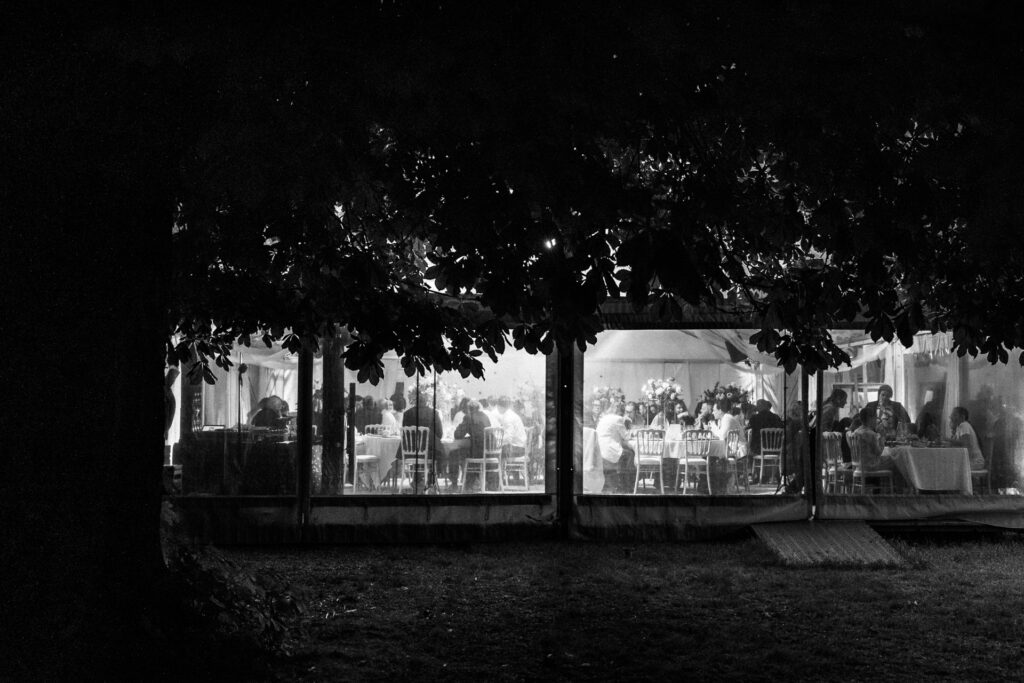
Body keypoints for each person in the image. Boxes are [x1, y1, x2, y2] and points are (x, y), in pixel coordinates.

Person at [403, 387, 445, 487]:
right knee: (438, 450)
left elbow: (405, 432)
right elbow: (440, 433)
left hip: (411, 451)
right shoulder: (434, 413)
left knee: (418, 449)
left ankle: (416, 478)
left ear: (415, 401)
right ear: (426, 402)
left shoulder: (407, 413)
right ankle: (431, 478)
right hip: (429, 449)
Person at [848, 406, 901, 487]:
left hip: (859, 466)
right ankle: (893, 491)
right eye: (875, 417)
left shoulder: (856, 432)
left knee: (890, 459)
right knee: (896, 461)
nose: (876, 420)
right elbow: (878, 452)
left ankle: (882, 489)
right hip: (870, 466)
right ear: (870, 418)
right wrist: (882, 438)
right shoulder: (870, 434)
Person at [453, 399, 493, 489]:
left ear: (468, 409)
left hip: (476, 452)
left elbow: (458, 435)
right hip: (487, 450)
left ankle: (456, 482)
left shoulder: (469, 417)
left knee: (454, 452)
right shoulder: (485, 416)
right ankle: (473, 480)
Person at [596, 403, 635, 493]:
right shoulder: (618, 419)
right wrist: (633, 432)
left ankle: (623, 484)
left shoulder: (605, 417)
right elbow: (626, 436)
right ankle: (626, 485)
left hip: (600, 448)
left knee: (626, 453)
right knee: (630, 454)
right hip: (608, 449)